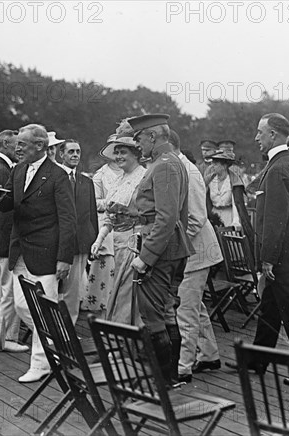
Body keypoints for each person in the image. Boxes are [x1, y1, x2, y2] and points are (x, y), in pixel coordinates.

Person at [236, 112, 289, 389]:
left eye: (260, 132)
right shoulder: (282, 164)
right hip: (286, 255)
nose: (256, 137)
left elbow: (275, 220)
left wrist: (267, 260)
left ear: (273, 134)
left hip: (282, 258)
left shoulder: (279, 167)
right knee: (270, 308)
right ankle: (258, 361)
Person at [0, 123, 76, 383]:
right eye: (17, 144)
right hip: (20, 251)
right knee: (22, 306)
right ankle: (59, 340)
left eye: (22, 144)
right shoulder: (17, 171)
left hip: (46, 253)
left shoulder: (58, 175)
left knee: (44, 306)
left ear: (40, 146)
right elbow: (7, 201)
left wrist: (64, 257)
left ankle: (41, 363)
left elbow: (68, 218)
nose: (18, 149)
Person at [128, 114, 194, 385]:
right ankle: (169, 378)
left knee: (153, 315)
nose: (137, 144)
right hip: (169, 246)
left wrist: (146, 257)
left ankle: (164, 382)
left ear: (152, 136)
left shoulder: (164, 165)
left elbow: (167, 217)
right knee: (166, 313)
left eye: (139, 138)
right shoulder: (167, 162)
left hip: (161, 249)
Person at [169, 130, 223, 384]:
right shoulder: (177, 167)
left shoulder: (187, 172)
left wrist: (170, 247)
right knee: (194, 306)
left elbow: (196, 218)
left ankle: (182, 367)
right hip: (193, 250)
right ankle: (210, 354)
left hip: (196, 251)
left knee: (186, 310)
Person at [91, 136, 145, 325]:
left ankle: (123, 344)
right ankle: (121, 342)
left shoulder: (143, 178)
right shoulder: (118, 180)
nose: (119, 156)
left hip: (135, 242)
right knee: (118, 291)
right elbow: (109, 217)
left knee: (126, 294)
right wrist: (99, 239)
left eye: (124, 152)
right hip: (118, 243)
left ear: (136, 154)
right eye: (117, 153)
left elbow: (146, 212)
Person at [0, 129, 29, 353]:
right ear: (3, 144)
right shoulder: (0, 170)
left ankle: (2, 336)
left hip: (0, 238)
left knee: (5, 289)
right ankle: (3, 337)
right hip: (4, 239)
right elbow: (3, 210)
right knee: (6, 290)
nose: (18, 150)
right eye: (15, 145)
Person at [58, 140, 98, 325]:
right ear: (62, 155)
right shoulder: (55, 179)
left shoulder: (86, 182)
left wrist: (93, 241)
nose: (75, 155)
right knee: (54, 288)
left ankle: (69, 330)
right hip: (58, 243)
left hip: (81, 242)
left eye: (78, 152)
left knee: (73, 291)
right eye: (71, 152)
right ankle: (54, 329)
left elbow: (92, 215)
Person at [81, 135, 123, 313]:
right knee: (104, 265)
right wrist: (111, 203)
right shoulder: (101, 174)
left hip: (126, 226)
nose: (119, 154)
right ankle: (98, 303)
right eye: (115, 150)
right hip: (106, 223)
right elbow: (94, 202)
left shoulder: (132, 171)